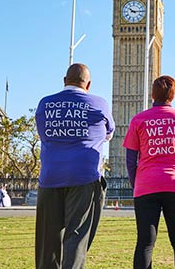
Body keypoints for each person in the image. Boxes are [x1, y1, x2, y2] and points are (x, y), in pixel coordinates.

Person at [35, 63, 115, 269]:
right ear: (88, 84)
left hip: (50, 177)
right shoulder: (100, 104)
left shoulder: (45, 104)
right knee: (76, 239)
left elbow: (43, 134)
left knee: (47, 243)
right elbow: (108, 134)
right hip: (85, 178)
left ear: (64, 80)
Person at [123, 75, 175, 269]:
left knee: (145, 243)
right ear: (173, 95)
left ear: (152, 94)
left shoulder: (139, 119)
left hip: (146, 186)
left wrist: (137, 182)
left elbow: (130, 159)